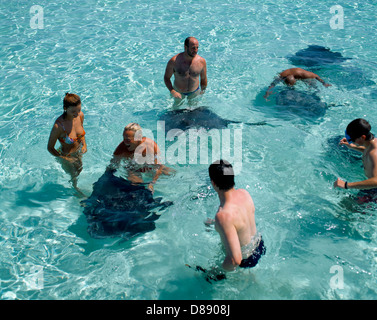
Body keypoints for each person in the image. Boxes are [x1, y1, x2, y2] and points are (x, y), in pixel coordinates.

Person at [208, 160, 265, 272]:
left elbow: (235, 260)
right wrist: (216, 223)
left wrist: (216, 272)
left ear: (213, 183)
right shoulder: (244, 193)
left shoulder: (223, 216)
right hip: (259, 246)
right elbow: (238, 220)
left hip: (245, 261)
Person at [111, 123, 172, 193]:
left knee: (171, 174)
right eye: (123, 138)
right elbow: (113, 165)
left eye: (128, 140)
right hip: (133, 169)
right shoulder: (122, 149)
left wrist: (152, 183)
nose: (124, 142)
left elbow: (159, 167)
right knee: (136, 186)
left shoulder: (149, 146)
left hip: (149, 167)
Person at [47, 93, 87, 191]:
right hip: (67, 156)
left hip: (78, 152)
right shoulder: (59, 126)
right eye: (73, 111)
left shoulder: (80, 115)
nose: (77, 113)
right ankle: (75, 192)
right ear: (65, 108)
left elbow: (81, 132)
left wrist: (84, 145)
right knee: (74, 177)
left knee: (79, 171)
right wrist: (65, 159)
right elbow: (50, 148)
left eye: (79, 109)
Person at [334, 119, 377, 193]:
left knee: (345, 204)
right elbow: (366, 150)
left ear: (362, 137)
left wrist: (346, 185)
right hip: (372, 187)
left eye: (352, 139)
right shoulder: (371, 144)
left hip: (374, 189)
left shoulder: (374, 153)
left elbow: (376, 181)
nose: (351, 141)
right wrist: (352, 146)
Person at [164, 37, 207, 105]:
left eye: (197, 47)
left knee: (193, 112)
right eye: (193, 48)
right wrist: (172, 91)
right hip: (178, 93)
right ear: (185, 47)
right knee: (175, 111)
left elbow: (203, 78)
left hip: (194, 92)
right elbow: (166, 78)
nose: (195, 50)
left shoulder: (201, 61)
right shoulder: (174, 61)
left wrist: (203, 91)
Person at [264, 67, 331, 100]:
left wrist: (324, 83)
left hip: (301, 73)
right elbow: (273, 84)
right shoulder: (282, 75)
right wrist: (267, 92)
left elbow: (316, 76)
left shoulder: (305, 75)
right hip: (289, 73)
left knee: (313, 86)